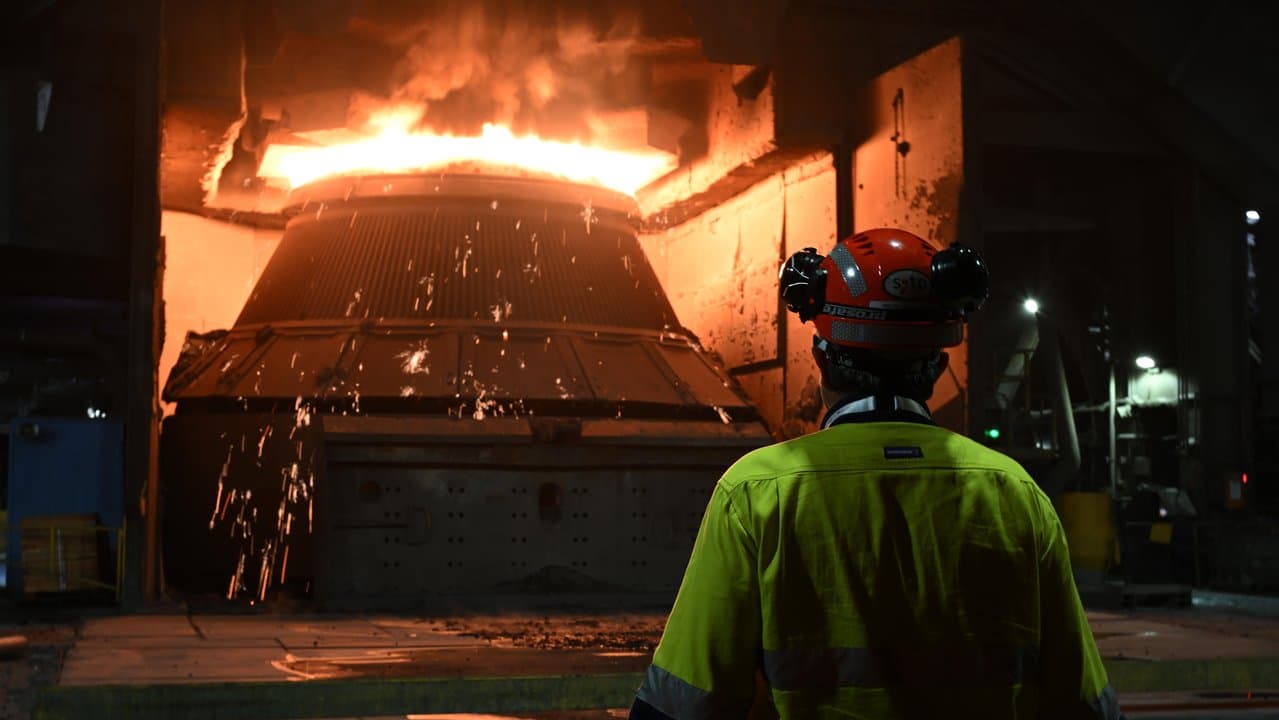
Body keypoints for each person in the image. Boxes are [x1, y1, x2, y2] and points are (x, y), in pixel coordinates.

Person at [630, 228, 1121, 719]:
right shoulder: (1016, 493)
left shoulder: (756, 491)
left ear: (821, 360)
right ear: (937, 366)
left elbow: (680, 705)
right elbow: (1084, 706)